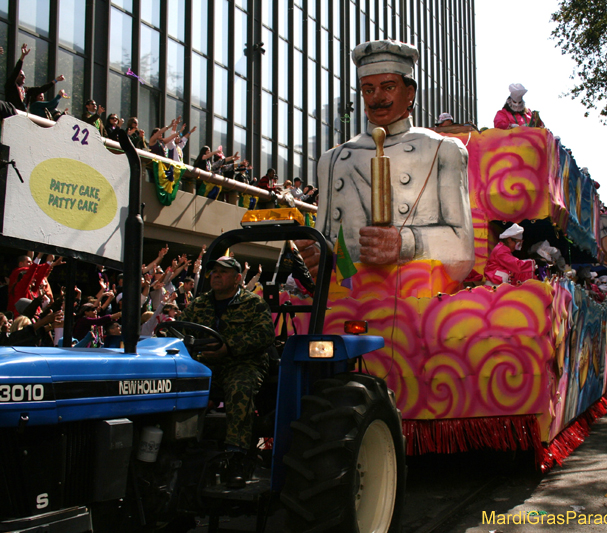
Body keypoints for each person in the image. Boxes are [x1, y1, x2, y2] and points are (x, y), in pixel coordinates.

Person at [308, 39, 474, 282]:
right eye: (368, 89)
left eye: (388, 87)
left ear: (410, 93)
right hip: (346, 305)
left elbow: (462, 250)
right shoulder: (331, 160)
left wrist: (405, 242)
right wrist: (316, 255)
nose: (377, 98)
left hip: (418, 306)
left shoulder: (443, 150)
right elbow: (331, 248)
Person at [181, 256, 275, 488]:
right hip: (204, 365)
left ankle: (237, 457)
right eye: (214, 271)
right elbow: (178, 330)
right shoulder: (199, 304)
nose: (216, 275)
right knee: (176, 384)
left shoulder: (254, 304)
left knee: (239, 388)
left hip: (243, 363)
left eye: (223, 272)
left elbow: (264, 336)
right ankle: (181, 448)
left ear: (237, 279)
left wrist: (229, 347)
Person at [5, 44, 64, 112]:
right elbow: (16, 71)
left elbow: (41, 89)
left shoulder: (26, 90)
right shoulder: (11, 85)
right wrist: (22, 57)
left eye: (24, 75)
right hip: (10, 114)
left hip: (21, 116)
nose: (24, 77)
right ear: (16, 77)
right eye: (21, 75)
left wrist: (56, 80)